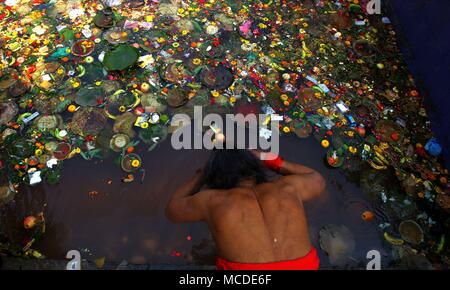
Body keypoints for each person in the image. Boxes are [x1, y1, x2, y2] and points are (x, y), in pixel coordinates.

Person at [165, 149, 325, 270]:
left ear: (217, 178)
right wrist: (273, 161)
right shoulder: (288, 188)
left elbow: (172, 210)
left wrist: (200, 176)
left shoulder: (212, 200)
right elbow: (317, 179)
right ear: (256, 168)